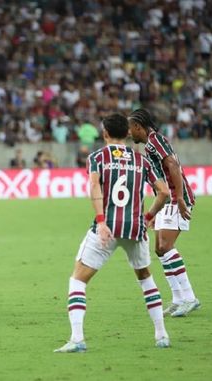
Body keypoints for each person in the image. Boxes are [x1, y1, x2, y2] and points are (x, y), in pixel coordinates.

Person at [55, 114, 171, 353]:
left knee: (78, 279)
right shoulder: (142, 160)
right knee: (146, 278)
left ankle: (77, 339)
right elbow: (164, 192)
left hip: (107, 227)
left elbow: (94, 186)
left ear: (105, 133)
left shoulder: (97, 157)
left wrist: (101, 221)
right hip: (135, 228)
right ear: (127, 133)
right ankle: (161, 335)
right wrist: (148, 217)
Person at [129, 108, 200, 317]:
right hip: (167, 200)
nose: (128, 133)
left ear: (137, 127)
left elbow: (172, 166)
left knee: (165, 246)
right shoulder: (150, 145)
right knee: (160, 250)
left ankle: (190, 297)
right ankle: (178, 299)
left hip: (177, 199)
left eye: (130, 128)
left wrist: (179, 197)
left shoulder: (155, 140)